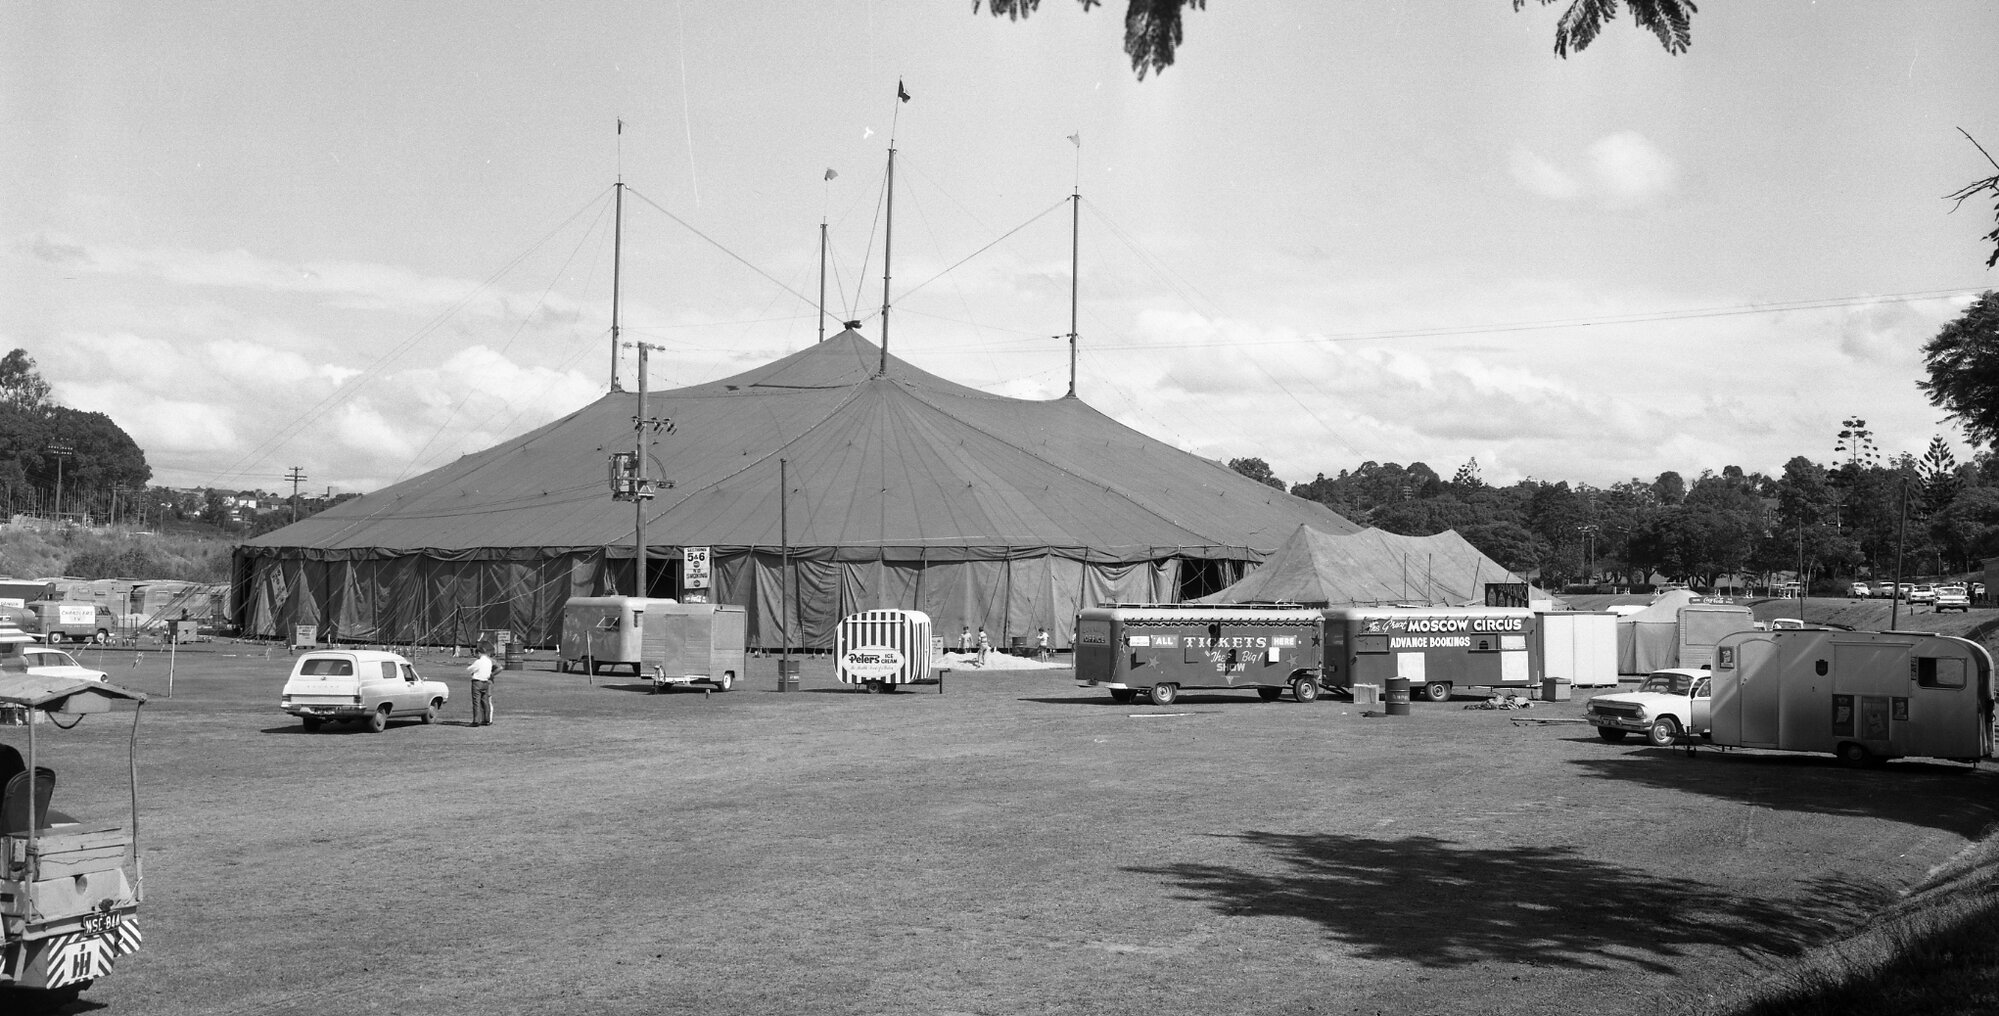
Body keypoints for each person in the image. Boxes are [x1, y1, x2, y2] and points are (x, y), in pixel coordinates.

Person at [467, 643, 495, 726]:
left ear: (479, 653)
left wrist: (471, 669)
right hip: (485, 682)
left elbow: (469, 669)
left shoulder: (478, 662)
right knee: (485, 702)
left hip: (477, 682)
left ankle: (476, 720)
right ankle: (486, 719)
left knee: (476, 702)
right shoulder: (489, 661)